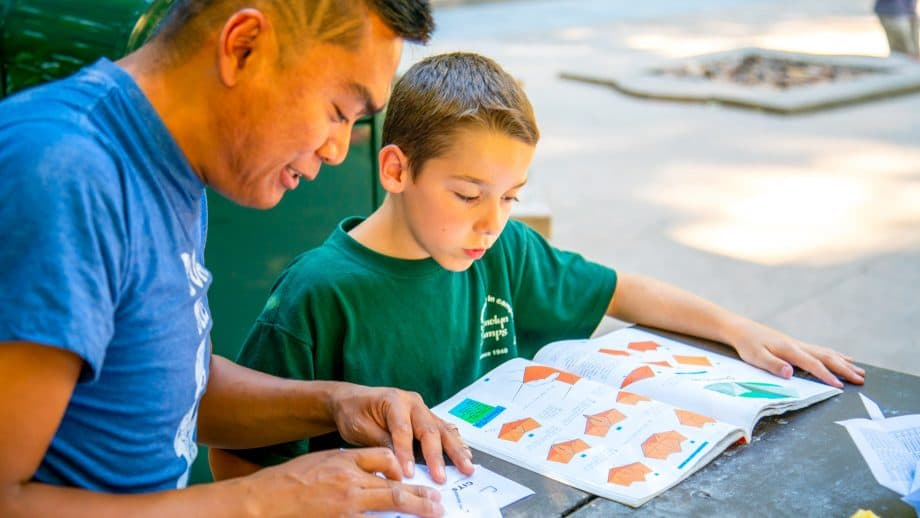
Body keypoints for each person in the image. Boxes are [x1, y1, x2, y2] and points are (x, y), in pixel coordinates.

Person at [208, 52, 867, 479]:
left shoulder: (502, 248)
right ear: (396, 168)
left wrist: (738, 328)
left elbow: (622, 290)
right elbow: (234, 449)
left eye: (510, 197)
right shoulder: (318, 294)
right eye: (468, 196)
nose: (491, 222)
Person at [0, 2, 475, 517]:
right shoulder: (61, 175)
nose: (339, 149)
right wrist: (259, 501)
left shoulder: (173, 169)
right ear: (243, 45)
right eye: (339, 111)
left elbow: (165, 386)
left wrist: (338, 404)